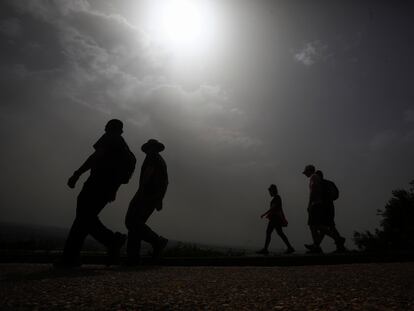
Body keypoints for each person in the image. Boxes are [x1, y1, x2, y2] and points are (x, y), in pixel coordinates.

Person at [56, 119, 136, 268]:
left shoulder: (109, 138)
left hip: (96, 184)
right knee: (85, 218)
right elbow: (119, 172)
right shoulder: (123, 146)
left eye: (107, 125)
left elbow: (96, 157)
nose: (104, 127)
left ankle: (73, 257)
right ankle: (110, 242)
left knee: (83, 218)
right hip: (106, 188)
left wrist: (77, 174)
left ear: (111, 127)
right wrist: (114, 190)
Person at [125, 139, 169, 265]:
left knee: (132, 221)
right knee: (136, 224)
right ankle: (133, 257)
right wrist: (160, 199)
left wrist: (141, 192)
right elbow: (166, 182)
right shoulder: (161, 161)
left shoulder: (152, 157)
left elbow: (147, 175)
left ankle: (157, 242)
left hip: (146, 195)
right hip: (152, 196)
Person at [302, 165, 345, 253]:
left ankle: (337, 240)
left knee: (317, 226)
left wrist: (309, 204)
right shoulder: (329, 183)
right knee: (325, 226)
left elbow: (313, 192)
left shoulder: (314, 178)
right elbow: (336, 195)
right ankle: (317, 245)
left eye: (306, 172)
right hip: (328, 207)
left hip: (320, 206)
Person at [257, 184, 295, 255]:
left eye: (270, 191)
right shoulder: (276, 198)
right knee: (279, 233)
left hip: (275, 218)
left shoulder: (277, 198)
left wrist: (264, 214)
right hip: (276, 218)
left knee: (269, 232)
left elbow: (273, 208)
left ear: (273, 191)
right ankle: (290, 247)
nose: (269, 193)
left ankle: (265, 249)